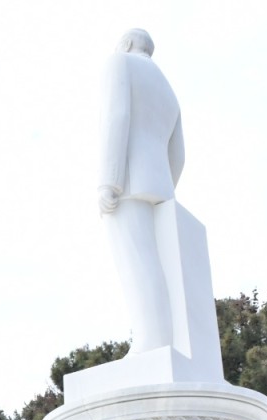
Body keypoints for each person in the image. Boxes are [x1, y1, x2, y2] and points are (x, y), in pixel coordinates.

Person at [98, 28, 184, 356]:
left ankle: (151, 344)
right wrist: (165, 186)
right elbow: (179, 153)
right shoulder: (169, 90)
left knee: (135, 262)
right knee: (157, 265)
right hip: (160, 184)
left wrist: (110, 180)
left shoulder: (119, 62)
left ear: (128, 43)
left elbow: (116, 116)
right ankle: (160, 342)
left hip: (128, 181)